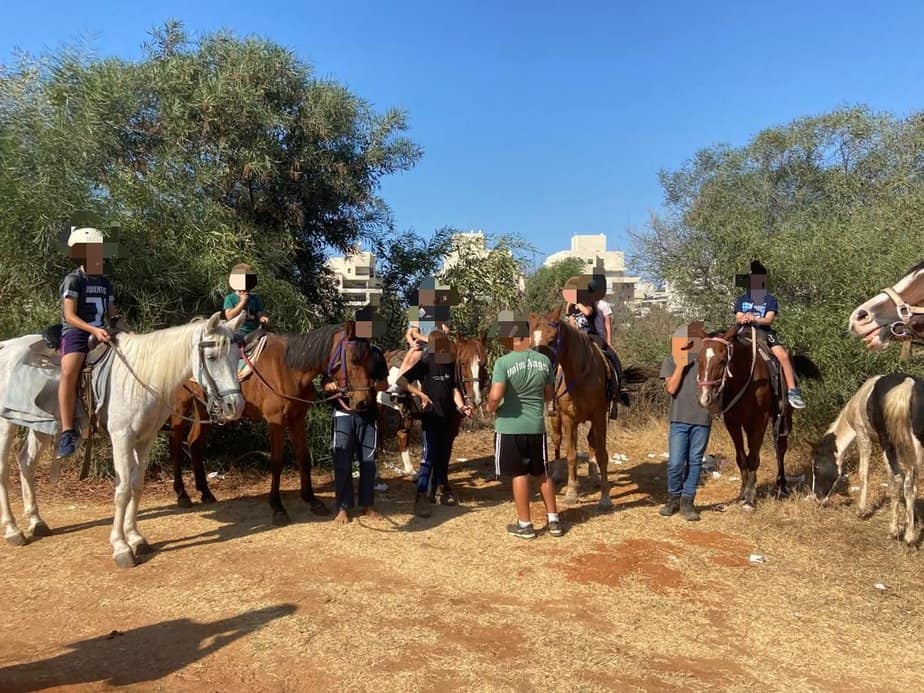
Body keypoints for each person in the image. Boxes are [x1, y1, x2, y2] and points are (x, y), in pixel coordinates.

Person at [486, 310, 562, 539]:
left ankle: (525, 524)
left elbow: (495, 395)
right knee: (542, 473)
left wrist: (490, 407)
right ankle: (554, 520)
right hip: (536, 426)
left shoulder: (503, 363)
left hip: (510, 426)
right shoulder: (544, 361)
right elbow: (549, 395)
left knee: (519, 474)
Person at [56, 227, 121, 459]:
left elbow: (113, 314)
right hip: (77, 331)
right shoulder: (74, 280)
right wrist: (94, 329)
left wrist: (129, 333)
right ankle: (67, 431)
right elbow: (70, 315)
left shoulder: (105, 282)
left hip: (102, 331)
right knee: (70, 370)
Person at [399, 330, 472, 517]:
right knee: (428, 456)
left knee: (444, 454)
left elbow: (454, 388)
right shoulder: (425, 362)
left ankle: (441, 488)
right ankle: (421, 495)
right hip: (432, 416)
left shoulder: (449, 364)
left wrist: (462, 407)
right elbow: (402, 380)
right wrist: (420, 394)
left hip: (448, 416)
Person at [323, 321, 390, 524]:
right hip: (343, 414)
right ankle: (342, 507)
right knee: (342, 462)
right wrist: (331, 386)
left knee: (368, 462)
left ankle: (367, 505)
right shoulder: (340, 352)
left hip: (368, 415)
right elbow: (324, 382)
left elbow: (385, 383)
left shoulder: (376, 355)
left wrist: (370, 385)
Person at [733, 261, 805, 409]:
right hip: (744, 332)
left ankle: (792, 391)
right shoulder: (742, 299)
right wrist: (744, 317)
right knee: (724, 351)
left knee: (783, 355)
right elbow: (738, 318)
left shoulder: (770, 299)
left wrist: (755, 318)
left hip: (763, 332)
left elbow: (769, 319)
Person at [659, 323, 711, 521]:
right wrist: (681, 364)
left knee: (695, 461)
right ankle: (673, 498)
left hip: (702, 419)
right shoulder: (670, 361)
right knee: (675, 463)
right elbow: (671, 388)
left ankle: (688, 502)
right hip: (679, 419)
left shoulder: (704, 361)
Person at [223, 263, 269, 338]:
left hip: (254, 331)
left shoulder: (255, 298)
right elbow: (229, 316)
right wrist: (242, 302)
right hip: (237, 331)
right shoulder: (230, 298)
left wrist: (262, 318)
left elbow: (259, 313)